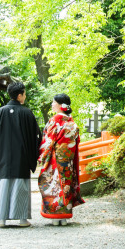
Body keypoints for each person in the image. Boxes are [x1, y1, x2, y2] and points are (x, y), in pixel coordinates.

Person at [0, 82, 41, 228]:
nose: (25, 96)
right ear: (19, 95)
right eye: (24, 94)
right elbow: (35, 136)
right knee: (21, 185)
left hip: (3, 156)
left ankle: (1, 220)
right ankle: (22, 219)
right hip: (22, 157)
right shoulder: (26, 113)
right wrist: (34, 153)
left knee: (3, 185)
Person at [38, 93, 84, 225]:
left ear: (60, 105)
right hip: (68, 160)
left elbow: (48, 141)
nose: (52, 104)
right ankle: (64, 217)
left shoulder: (55, 120)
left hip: (55, 160)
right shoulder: (71, 122)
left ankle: (55, 217)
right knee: (66, 185)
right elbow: (76, 141)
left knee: (54, 185)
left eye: (54, 102)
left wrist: (42, 156)